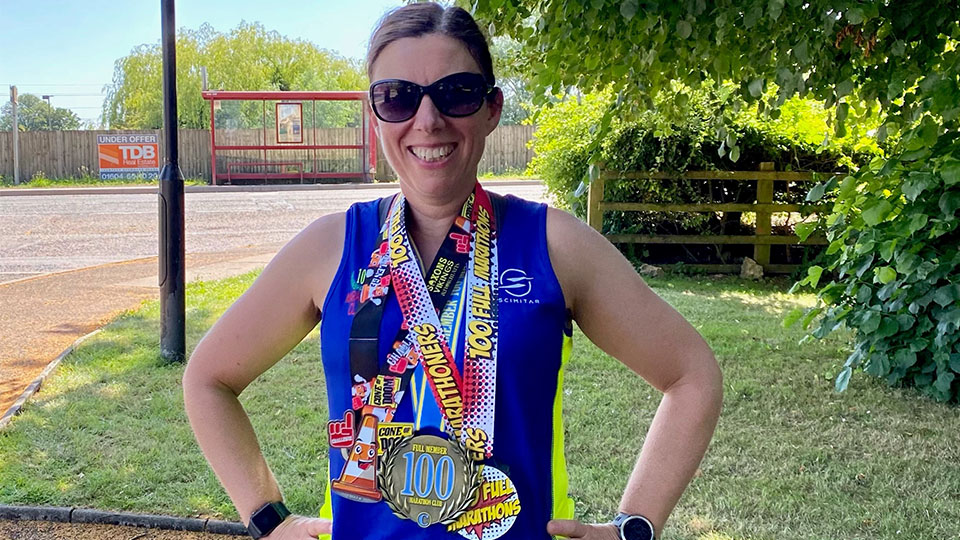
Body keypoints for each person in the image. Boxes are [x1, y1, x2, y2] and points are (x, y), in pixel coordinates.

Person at [183, 4, 722, 540]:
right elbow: (209, 380)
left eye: (456, 92)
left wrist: (634, 526)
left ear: (492, 109)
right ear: (375, 116)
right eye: (397, 97)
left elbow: (692, 374)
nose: (428, 120)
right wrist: (268, 519)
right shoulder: (330, 247)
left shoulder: (554, 244)